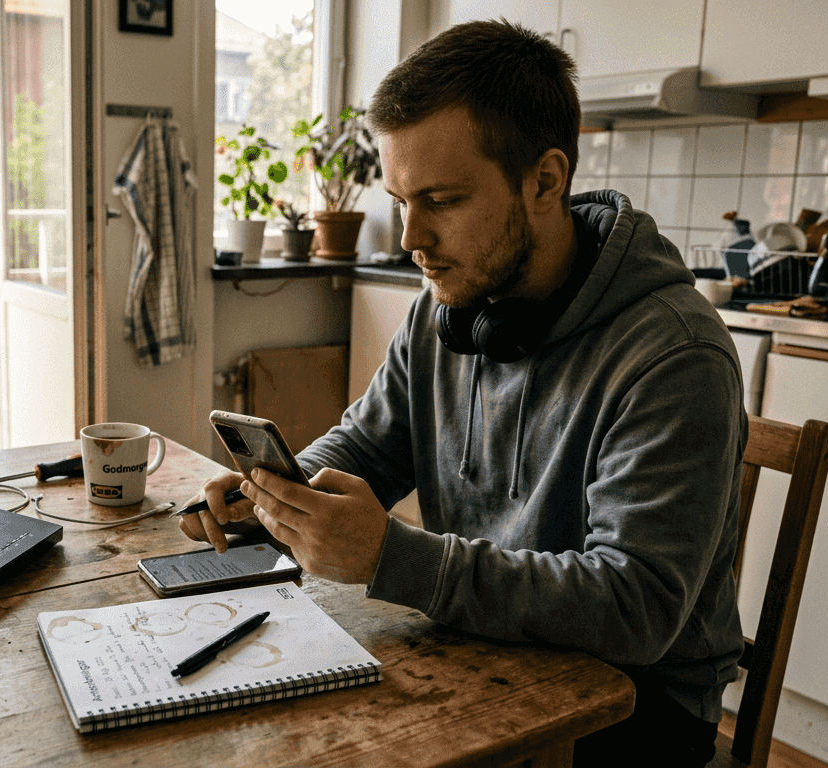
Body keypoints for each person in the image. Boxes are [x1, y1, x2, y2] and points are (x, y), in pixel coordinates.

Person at [181, 19, 746, 768]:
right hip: (480, 647)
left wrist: (392, 557)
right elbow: (372, 445)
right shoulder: (447, 306)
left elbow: (634, 610)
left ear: (545, 181)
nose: (411, 237)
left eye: (441, 200)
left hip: (633, 704)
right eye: (400, 199)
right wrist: (283, 494)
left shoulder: (674, 353)